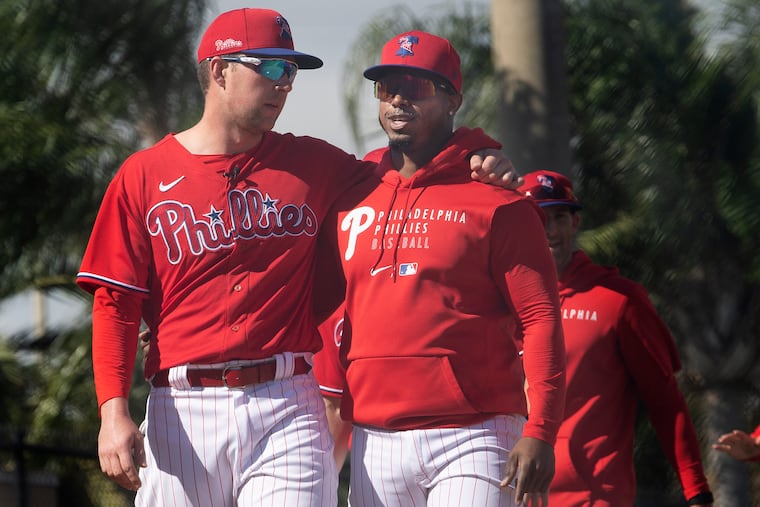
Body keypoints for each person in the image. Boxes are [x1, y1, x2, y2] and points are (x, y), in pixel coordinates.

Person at [76, 8, 521, 506]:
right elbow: (115, 302)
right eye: (269, 68)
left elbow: (409, 171)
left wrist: (477, 155)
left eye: (290, 72)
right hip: (182, 405)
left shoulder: (316, 164)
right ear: (220, 70)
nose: (284, 84)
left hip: (286, 399)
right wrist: (113, 411)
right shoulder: (143, 175)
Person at [312, 30, 567, 507]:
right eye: (387, 88)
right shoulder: (351, 191)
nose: (399, 100)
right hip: (373, 437)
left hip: (474, 435)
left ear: (453, 100)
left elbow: (541, 319)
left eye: (418, 86)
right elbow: (306, 296)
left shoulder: (497, 201)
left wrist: (542, 430)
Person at [517, 170, 714, 506]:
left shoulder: (618, 300)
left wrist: (697, 491)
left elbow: (665, 401)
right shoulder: (498, 302)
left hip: (594, 498)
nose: (549, 230)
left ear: (575, 223)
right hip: (509, 496)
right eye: (537, 218)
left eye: (559, 217)